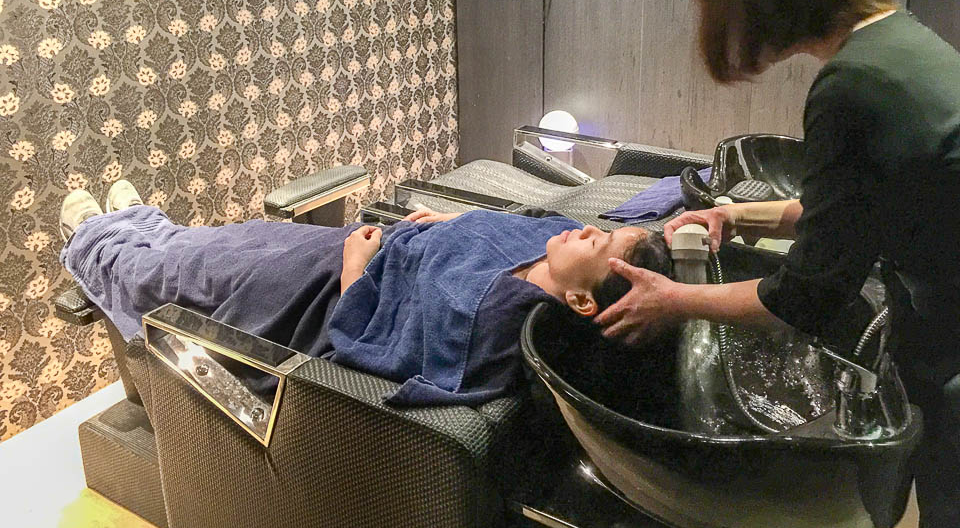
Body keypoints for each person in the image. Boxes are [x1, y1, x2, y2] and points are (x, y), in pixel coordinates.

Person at [595, 0, 960, 528]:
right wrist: (734, 217)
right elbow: (849, 212)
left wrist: (673, 300)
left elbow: (804, 300)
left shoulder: (852, 86)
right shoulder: (897, 40)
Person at [58, 181, 670, 407]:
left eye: (598, 242)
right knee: (228, 238)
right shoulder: (553, 245)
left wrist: (355, 268)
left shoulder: (487, 320)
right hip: (373, 245)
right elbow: (510, 228)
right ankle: (143, 225)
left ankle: (94, 240)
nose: (586, 230)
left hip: (323, 289)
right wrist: (453, 224)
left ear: (581, 302)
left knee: (195, 273)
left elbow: (367, 346)